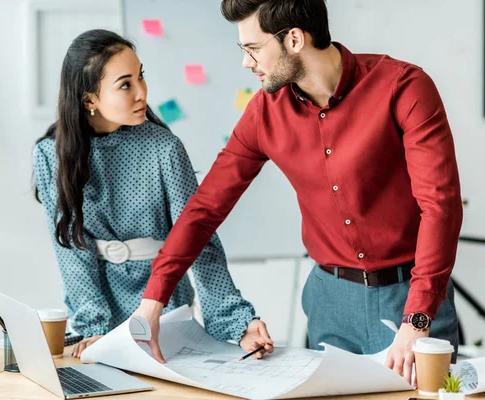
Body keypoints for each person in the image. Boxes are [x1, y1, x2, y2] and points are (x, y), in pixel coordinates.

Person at [133, 0, 462, 384]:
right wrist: (152, 302)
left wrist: (417, 319)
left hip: (411, 295)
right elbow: (204, 209)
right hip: (329, 302)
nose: (246, 63)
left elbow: (439, 206)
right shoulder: (264, 113)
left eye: (253, 49)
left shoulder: (403, 87)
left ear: (293, 39)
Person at [32, 29, 274, 359]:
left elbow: (198, 239)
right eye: (125, 84)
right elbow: (72, 254)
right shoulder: (51, 155)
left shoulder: (164, 148)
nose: (141, 92)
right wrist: (93, 328)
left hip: (165, 309)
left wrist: (237, 322)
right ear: (89, 100)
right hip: (99, 315)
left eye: (140, 76)